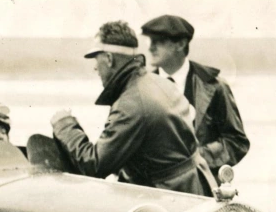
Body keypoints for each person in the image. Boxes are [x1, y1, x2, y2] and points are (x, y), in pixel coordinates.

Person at [50, 20, 215, 196]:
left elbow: (94, 165)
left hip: (168, 200)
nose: (95, 67)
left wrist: (64, 124)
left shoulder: (131, 103)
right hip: (193, 189)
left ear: (109, 59)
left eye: (96, 59)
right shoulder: (158, 82)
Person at [141, 14, 250, 180]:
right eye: (150, 41)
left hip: (201, 189)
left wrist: (195, 159)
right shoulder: (141, 87)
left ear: (181, 44)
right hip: (154, 190)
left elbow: (237, 142)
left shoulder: (214, 87)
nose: (151, 48)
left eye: (159, 41)